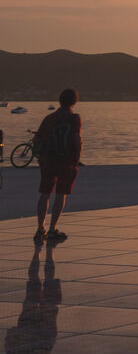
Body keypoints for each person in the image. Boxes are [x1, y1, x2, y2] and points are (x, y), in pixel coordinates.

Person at [32, 89, 81, 245]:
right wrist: (76, 159)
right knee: (61, 194)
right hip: (66, 161)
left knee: (45, 193)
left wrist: (40, 157)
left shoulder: (49, 118)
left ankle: (41, 228)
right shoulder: (74, 118)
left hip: (47, 160)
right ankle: (53, 229)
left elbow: (37, 138)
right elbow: (76, 140)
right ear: (74, 102)